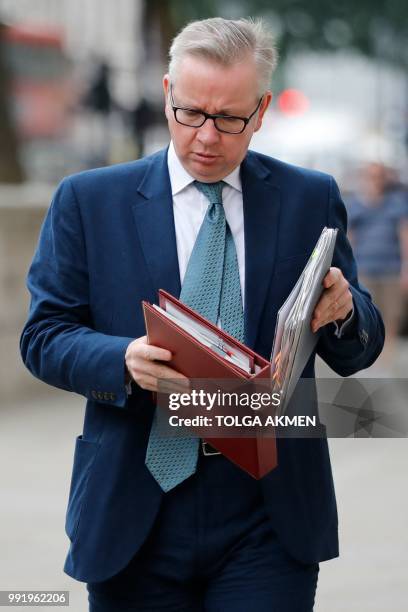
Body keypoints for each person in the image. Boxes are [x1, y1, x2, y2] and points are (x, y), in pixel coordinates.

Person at [20, 17, 384, 612]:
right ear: (166, 94)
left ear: (262, 109)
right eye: (190, 113)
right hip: (134, 506)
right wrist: (121, 359)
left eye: (230, 118)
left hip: (268, 511)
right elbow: (43, 336)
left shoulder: (308, 199)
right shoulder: (88, 201)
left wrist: (346, 314)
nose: (207, 137)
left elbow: (358, 347)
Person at [346, 162, 408, 368]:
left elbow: (404, 236)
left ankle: (388, 353)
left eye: (378, 176)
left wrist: (405, 268)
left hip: (390, 267)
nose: (374, 181)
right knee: (370, 310)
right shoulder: (355, 204)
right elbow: (349, 238)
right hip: (364, 267)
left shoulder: (396, 203)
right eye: (370, 176)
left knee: (392, 312)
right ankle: (372, 350)